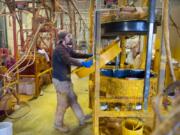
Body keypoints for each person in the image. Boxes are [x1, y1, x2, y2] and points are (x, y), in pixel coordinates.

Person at [52, 31, 93, 132]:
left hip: (66, 79)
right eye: (68, 36)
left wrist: (88, 55)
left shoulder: (66, 48)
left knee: (73, 99)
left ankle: (82, 118)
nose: (70, 38)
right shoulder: (59, 49)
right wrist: (83, 64)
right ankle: (58, 124)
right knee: (63, 103)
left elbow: (74, 54)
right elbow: (68, 59)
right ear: (63, 39)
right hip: (60, 81)